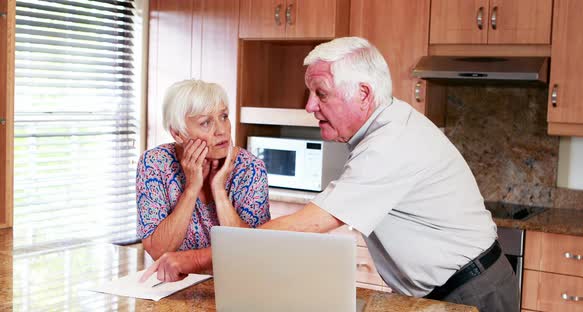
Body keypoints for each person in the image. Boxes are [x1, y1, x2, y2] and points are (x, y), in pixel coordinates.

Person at [140, 38, 518, 311]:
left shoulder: (391, 145)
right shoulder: (381, 131)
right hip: (443, 291)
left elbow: (309, 226)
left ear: (364, 94)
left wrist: (191, 260)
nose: (309, 106)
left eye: (320, 94)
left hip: (471, 293)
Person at [136, 79, 270, 260]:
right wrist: (191, 189)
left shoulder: (250, 168)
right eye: (206, 122)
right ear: (177, 133)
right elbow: (158, 252)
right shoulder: (155, 163)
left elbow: (253, 252)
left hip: (235, 280)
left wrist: (219, 191)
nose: (222, 130)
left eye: (224, 116)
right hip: (174, 281)